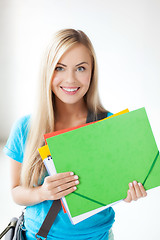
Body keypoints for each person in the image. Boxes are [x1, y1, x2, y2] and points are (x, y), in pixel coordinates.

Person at [4, 29, 147, 240]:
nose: (70, 79)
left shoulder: (110, 125)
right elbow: (16, 191)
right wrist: (42, 193)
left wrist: (127, 191)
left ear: (92, 72)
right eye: (60, 68)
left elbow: (120, 181)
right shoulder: (25, 127)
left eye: (80, 68)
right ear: (47, 71)